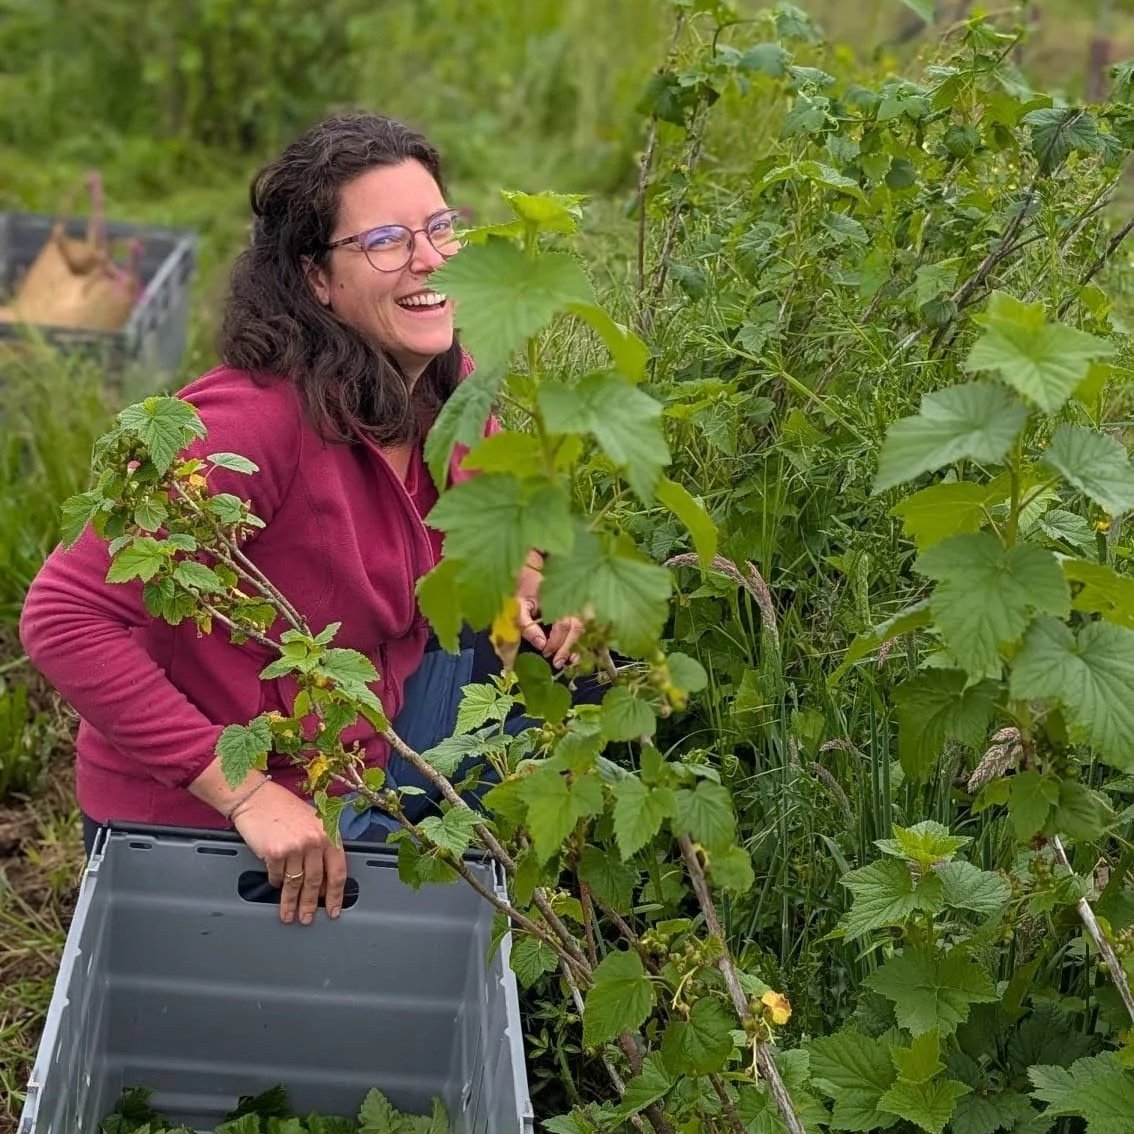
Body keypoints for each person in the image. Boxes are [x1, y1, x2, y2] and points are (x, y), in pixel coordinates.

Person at [19, 113, 583, 927]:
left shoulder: (432, 391)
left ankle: (464, 879)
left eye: (439, 228)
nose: (429, 260)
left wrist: (536, 570)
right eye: (386, 240)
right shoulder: (249, 425)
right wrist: (244, 790)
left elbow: (504, 481)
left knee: (582, 668)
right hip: (213, 815)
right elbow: (64, 617)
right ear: (317, 280)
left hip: (352, 741)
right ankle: (386, 889)